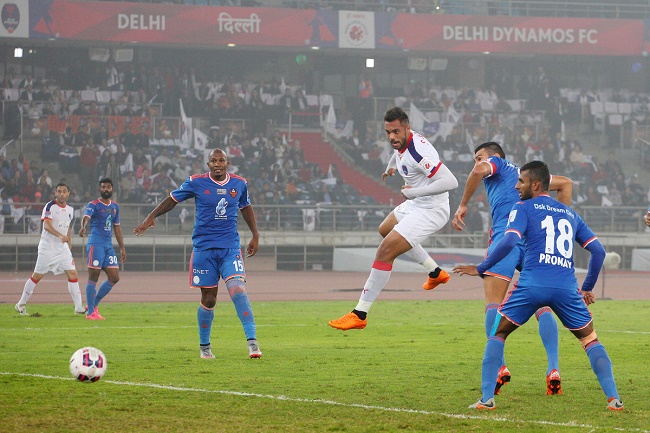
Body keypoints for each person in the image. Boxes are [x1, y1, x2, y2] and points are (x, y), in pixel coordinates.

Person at [453, 160, 623, 412]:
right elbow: (598, 251)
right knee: (590, 340)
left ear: (535, 185)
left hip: (532, 285)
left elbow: (509, 242)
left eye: (521, 181)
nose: (516, 186)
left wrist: (481, 267)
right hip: (566, 288)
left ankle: (487, 399)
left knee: (498, 333)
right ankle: (614, 400)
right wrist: (587, 287)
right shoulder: (571, 214)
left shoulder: (522, 207)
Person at [452, 141, 574, 395]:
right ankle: (553, 368)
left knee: (493, 303)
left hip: (506, 236)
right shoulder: (528, 177)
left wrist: (463, 204)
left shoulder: (496, 164)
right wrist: (559, 217)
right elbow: (566, 184)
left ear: (494, 156)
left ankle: (500, 367)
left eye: (479, 157)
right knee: (542, 303)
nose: (477, 162)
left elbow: (478, 171)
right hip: (533, 242)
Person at [328, 106, 458, 330]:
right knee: (385, 229)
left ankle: (360, 313)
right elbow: (399, 152)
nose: (391, 137)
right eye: (388, 132)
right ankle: (435, 272)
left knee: (385, 251)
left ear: (407, 128)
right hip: (417, 203)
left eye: (396, 132)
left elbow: (451, 182)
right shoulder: (404, 141)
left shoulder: (419, 153)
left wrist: (415, 192)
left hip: (431, 209)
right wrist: (391, 166)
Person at [133, 148, 262, 360]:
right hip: (204, 249)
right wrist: (151, 216)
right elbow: (172, 199)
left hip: (230, 248)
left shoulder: (239, 183)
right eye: (214, 161)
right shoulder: (196, 182)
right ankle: (205, 347)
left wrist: (255, 235)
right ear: (208, 164)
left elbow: (246, 207)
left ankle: (252, 343)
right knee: (209, 300)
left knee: (238, 290)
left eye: (221, 160)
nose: (217, 164)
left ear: (227, 163)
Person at [15, 183, 86, 316]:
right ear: (55, 193)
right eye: (59, 191)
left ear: (68, 193)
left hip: (62, 249)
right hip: (47, 247)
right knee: (37, 275)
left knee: (73, 274)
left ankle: (78, 307)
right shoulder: (50, 206)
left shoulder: (70, 209)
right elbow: (46, 225)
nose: (61, 194)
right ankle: (21, 303)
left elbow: (67, 226)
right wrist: (60, 236)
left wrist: (69, 241)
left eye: (64, 191)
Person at [79, 178, 126, 320]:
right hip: (96, 243)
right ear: (100, 189)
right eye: (103, 187)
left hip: (108, 245)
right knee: (93, 277)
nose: (106, 189)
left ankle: (92, 305)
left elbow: (117, 228)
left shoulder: (115, 206)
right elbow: (86, 217)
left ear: (112, 189)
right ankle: (91, 313)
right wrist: (83, 226)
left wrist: (122, 248)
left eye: (108, 187)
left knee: (114, 277)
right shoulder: (93, 204)